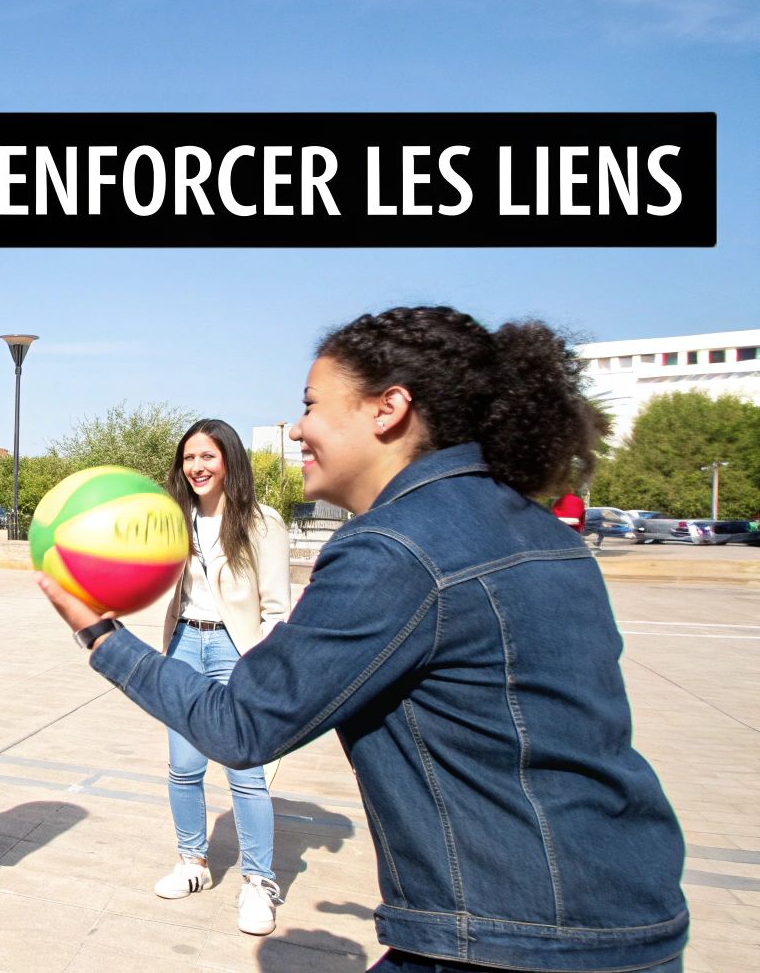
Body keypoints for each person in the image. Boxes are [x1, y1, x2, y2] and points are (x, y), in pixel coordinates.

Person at [43, 306, 687, 973]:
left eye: (313, 405)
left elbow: (242, 726)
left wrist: (99, 634)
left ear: (389, 409)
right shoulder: (545, 534)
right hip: (627, 916)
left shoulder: (392, 548)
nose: (298, 429)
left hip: (507, 937)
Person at [148, 419, 293, 935]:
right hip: (185, 641)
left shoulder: (261, 521)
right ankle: (193, 863)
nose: (196, 467)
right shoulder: (175, 519)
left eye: (207, 457)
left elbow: (277, 606)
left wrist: (264, 666)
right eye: (189, 458)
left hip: (237, 648)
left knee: (244, 772)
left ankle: (258, 881)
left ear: (229, 459)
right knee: (183, 765)